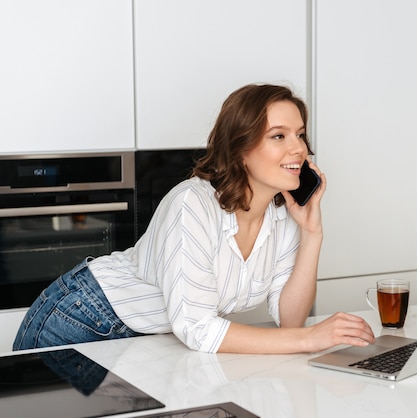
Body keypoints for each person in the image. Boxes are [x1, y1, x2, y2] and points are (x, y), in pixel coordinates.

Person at [13, 84, 375, 354]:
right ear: (239, 148)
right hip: (79, 318)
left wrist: (312, 233)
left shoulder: (282, 216)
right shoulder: (192, 204)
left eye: (299, 134)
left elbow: (290, 319)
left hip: (152, 339)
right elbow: (199, 329)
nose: (298, 148)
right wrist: (311, 338)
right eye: (278, 136)